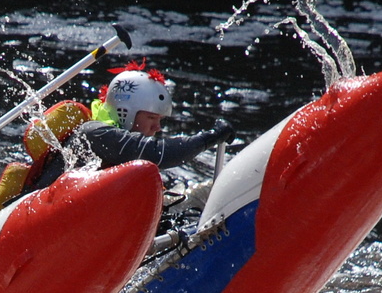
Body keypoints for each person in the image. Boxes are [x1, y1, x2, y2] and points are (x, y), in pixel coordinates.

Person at [17, 62, 234, 199]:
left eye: (159, 120)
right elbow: (161, 153)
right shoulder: (95, 134)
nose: (157, 127)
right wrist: (212, 136)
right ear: (125, 112)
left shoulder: (115, 144)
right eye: (151, 117)